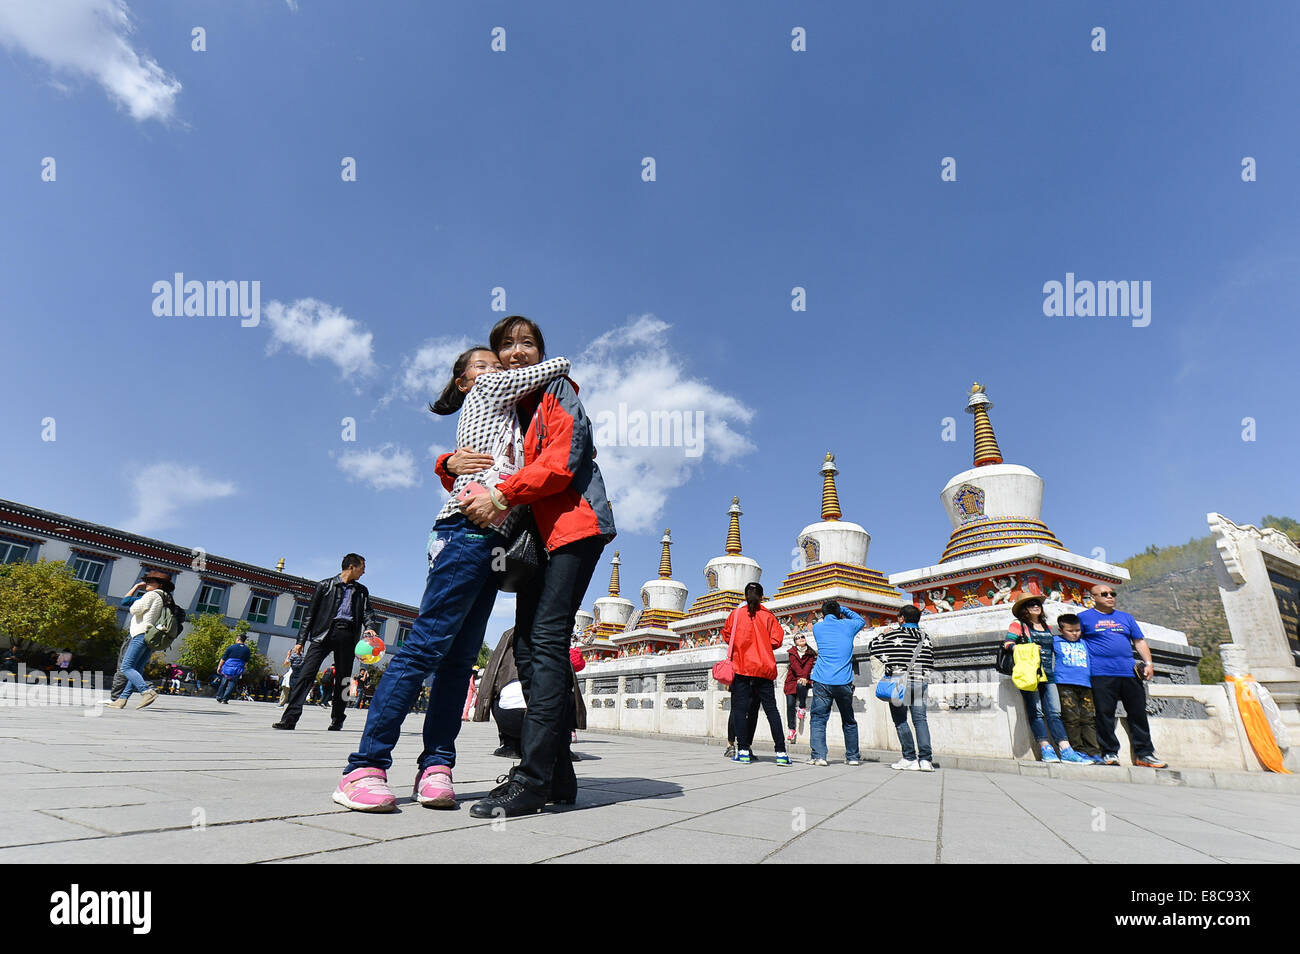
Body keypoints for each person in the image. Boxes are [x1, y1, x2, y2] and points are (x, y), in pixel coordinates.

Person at [332, 343, 576, 813]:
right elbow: (557, 365)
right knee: (425, 646)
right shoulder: (488, 389)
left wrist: (445, 463)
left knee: (460, 658)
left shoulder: (511, 416)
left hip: (492, 539)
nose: (499, 368)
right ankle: (364, 767)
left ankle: (437, 764)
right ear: (466, 381)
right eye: (485, 365)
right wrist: (551, 363)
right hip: (465, 532)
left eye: (499, 365)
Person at [447, 315, 617, 819]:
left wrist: (501, 494)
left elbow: (563, 461)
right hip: (537, 538)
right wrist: (447, 465)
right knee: (527, 645)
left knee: (545, 642)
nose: (518, 352)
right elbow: (477, 461)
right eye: (507, 345)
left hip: (574, 527)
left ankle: (533, 778)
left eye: (528, 344)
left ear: (541, 354)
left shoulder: (556, 392)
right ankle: (559, 774)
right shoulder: (509, 410)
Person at [273, 555, 380, 732]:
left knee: (344, 680)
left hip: (347, 635)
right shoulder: (324, 585)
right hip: (323, 635)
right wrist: (300, 642)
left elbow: (368, 613)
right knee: (305, 675)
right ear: (352, 567)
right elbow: (310, 615)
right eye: (362, 567)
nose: (364, 571)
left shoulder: (362, 591)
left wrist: (369, 627)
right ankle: (289, 719)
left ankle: (338, 719)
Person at [473, 629, 586, 771]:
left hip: (512, 719)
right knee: (564, 695)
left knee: (499, 696)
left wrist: (481, 710)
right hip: (552, 722)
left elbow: (488, 685)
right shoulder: (554, 644)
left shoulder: (507, 649)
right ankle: (563, 746)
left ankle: (511, 745)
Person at [1079, 585, 1167, 768]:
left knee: (1138, 713)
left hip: (1129, 671)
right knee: (1104, 714)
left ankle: (1144, 754)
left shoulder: (1125, 617)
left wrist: (1149, 663)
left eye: (1112, 594)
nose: (1110, 596)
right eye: (1104, 594)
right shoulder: (1084, 618)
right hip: (1100, 672)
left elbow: (1139, 641)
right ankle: (1109, 752)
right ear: (1092, 597)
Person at [1002, 595, 1091, 764]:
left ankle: (1065, 749)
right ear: (1024, 609)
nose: (1036, 606)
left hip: (1048, 673)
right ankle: (1045, 748)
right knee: (1036, 712)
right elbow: (1007, 644)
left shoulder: (1047, 627)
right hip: (1030, 673)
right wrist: (1027, 648)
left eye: (1038, 604)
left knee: (1055, 712)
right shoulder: (1018, 625)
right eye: (1031, 604)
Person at [718, 582, 790, 766]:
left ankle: (742, 750)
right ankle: (781, 752)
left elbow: (726, 636)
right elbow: (777, 639)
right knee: (771, 711)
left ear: (744, 596)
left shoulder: (736, 614)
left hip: (741, 667)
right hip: (764, 669)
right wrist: (763, 644)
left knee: (740, 711)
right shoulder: (768, 616)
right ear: (762, 596)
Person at [866, 604, 935, 771]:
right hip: (920, 679)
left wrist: (882, 635)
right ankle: (925, 760)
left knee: (901, 720)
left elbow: (873, 648)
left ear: (902, 618)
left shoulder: (894, 635)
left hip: (899, 680)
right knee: (920, 720)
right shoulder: (925, 636)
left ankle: (909, 756)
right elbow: (930, 660)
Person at [808, 602, 863, 766]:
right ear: (839, 614)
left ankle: (819, 756)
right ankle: (853, 757)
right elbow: (860, 620)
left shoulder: (818, 628)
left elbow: (821, 620)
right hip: (843, 681)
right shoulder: (849, 625)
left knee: (818, 719)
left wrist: (833, 613)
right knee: (849, 720)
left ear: (823, 615)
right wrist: (843, 610)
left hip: (821, 679)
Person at [108, 574, 171, 710]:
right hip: (152, 636)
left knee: (126, 667)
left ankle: (146, 691)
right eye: (146, 581)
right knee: (137, 668)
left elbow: (134, 609)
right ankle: (122, 699)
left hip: (141, 633)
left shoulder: (151, 595)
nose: (146, 583)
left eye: (150, 581)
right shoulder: (166, 598)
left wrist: (138, 592)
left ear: (159, 584)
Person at [1054, 613, 1102, 762]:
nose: (1075, 634)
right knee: (1071, 718)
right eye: (1070, 631)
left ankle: (1094, 751)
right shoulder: (1055, 641)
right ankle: (1077, 750)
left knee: (1088, 718)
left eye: (1077, 630)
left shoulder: (1085, 643)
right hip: (1065, 683)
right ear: (1061, 630)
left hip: (1085, 684)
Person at [783, 628, 817, 742]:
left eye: (802, 637)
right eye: (797, 638)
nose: (801, 639)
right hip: (792, 680)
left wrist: (803, 677)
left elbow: (808, 666)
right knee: (790, 705)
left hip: (804, 679)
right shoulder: (792, 652)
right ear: (795, 642)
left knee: (802, 685)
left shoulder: (810, 653)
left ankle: (802, 706)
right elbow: (794, 666)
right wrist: (800, 677)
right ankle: (791, 729)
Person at [215, 633, 252, 704]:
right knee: (232, 685)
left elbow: (223, 658)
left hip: (227, 668)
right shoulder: (247, 650)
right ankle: (225, 699)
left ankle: (219, 697)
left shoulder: (231, 647)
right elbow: (246, 662)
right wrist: (242, 668)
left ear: (238, 639)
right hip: (237, 669)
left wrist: (219, 667)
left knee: (223, 683)